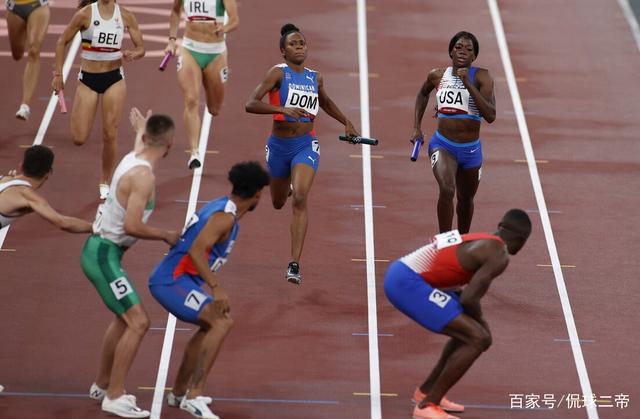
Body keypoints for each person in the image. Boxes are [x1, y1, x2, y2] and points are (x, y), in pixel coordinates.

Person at [148, 161, 270, 419]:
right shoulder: (224, 218)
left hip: (182, 280)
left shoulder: (223, 207)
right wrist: (217, 288)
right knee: (222, 323)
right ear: (258, 194)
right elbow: (195, 251)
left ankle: (179, 393)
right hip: (171, 281)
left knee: (210, 325)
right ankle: (194, 395)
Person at [384, 209, 531, 419]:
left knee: (467, 333)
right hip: (407, 283)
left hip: (402, 274)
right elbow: (469, 299)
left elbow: (457, 286)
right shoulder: (499, 254)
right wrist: (483, 327)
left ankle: (426, 392)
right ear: (520, 239)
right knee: (477, 338)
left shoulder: (483, 239)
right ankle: (427, 406)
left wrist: (477, 323)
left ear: (500, 225)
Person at [81, 109, 179, 418]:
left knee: (124, 319)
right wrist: (166, 235)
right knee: (139, 322)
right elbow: (132, 226)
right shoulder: (143, 176)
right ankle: (115, 395)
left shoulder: (134, 156)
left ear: (146, 137)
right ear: (171, 144)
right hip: (104, 254)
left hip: (101, 251)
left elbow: (140, 138)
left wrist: (140, 125)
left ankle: (102, 384)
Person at [245, 23, 359, 284]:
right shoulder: (277, 74)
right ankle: (284, 187)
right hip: (278, 146)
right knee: (277, 202)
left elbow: (325, 101)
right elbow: (250, 103)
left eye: (302, 43)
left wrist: (346, 121)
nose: (299, 48)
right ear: (283, 52)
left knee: (301, 198)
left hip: (305, 145)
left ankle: (294, 263)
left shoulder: (315, 77)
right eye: (293, 45)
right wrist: (283, 110)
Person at [52, 0, 144, 199]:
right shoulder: (85, 14)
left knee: (110, 133)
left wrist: (134, 54)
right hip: (88, 79)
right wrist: (58, 75)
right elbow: (62, 42)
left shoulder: (125, 15)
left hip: (114, 79)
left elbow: (141, 47)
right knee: (79, 138)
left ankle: (105, 181)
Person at [410, 31, 496, 234]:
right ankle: (444, 242)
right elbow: (423, 94)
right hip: (443, 145)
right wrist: (417, 127)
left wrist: (467, 84)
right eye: (458, 47)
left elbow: (490, 115)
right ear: (450, 52)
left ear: (474, 56)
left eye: (469, 49)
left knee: (466, 200)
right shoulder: (437, 75)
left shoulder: (482, 77)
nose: (463, 52)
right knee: (447, 190)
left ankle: (462, 241)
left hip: (470, 150)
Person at [164, 0, 238, 169]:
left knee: (214, 109)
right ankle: (194, 152)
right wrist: (172, 40)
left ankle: (208, 80)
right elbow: (175, 11)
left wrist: (224, 29)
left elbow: (234, 20)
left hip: (215, 53)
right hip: (190, 50)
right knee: (191, 99)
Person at [0, 145, 92, 232]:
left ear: (21, 166)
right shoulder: (29, 197)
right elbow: (63, 223)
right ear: (48, 173)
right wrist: (94, 227)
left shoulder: (3, 179)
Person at [5, 0, 50, 120]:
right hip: (15, 7)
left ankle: (25, 105)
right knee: (17, 55)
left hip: (38, 5)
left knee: (34, 50)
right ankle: (27, 26)